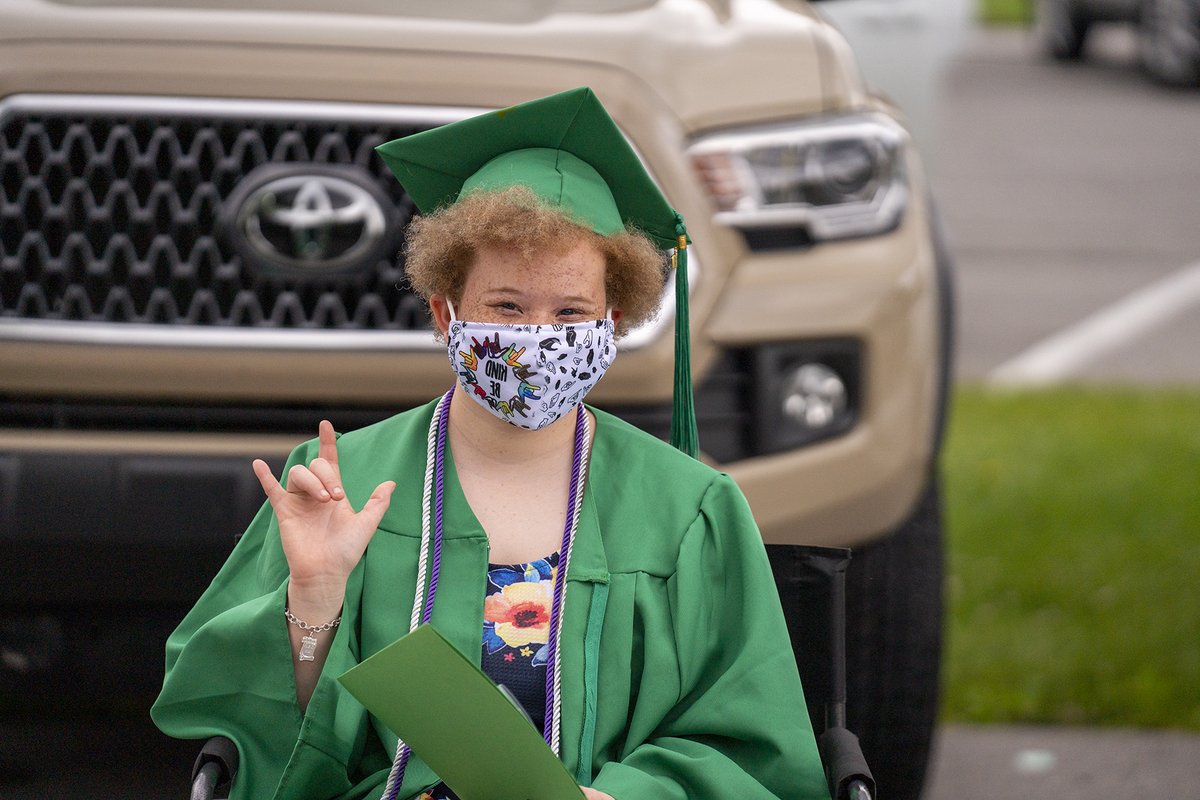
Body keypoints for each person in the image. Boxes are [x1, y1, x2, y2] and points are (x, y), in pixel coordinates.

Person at [152, 87, 830, 800]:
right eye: (506, 306)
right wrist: (315, 601)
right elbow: (261, 749)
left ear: (613, 321)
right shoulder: (340, 483)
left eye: (571, 312)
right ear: (446, 313)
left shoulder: (689, 507)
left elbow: (748, 746)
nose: (538, 338)